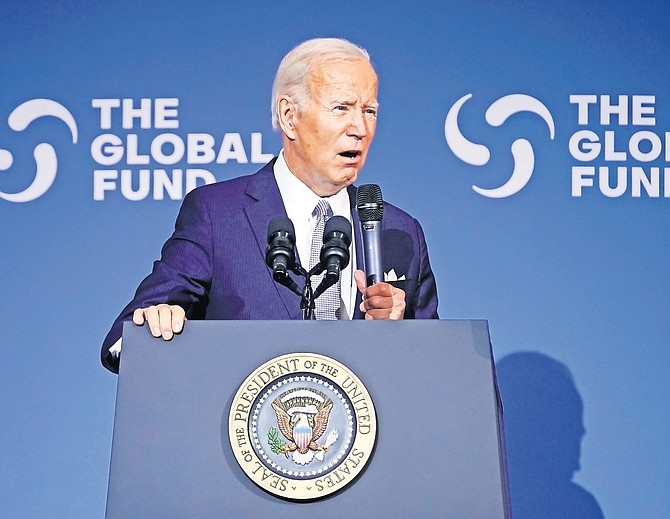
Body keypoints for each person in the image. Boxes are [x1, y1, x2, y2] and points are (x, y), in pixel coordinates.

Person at [101, 38, 438, 373]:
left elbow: (433, 367)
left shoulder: (399, 231)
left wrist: (400, 330)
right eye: (341, 108)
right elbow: (126, 334)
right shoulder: (218, 215)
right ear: (289, 116)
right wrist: (155, 322)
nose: (360, 129)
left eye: (370, 111)